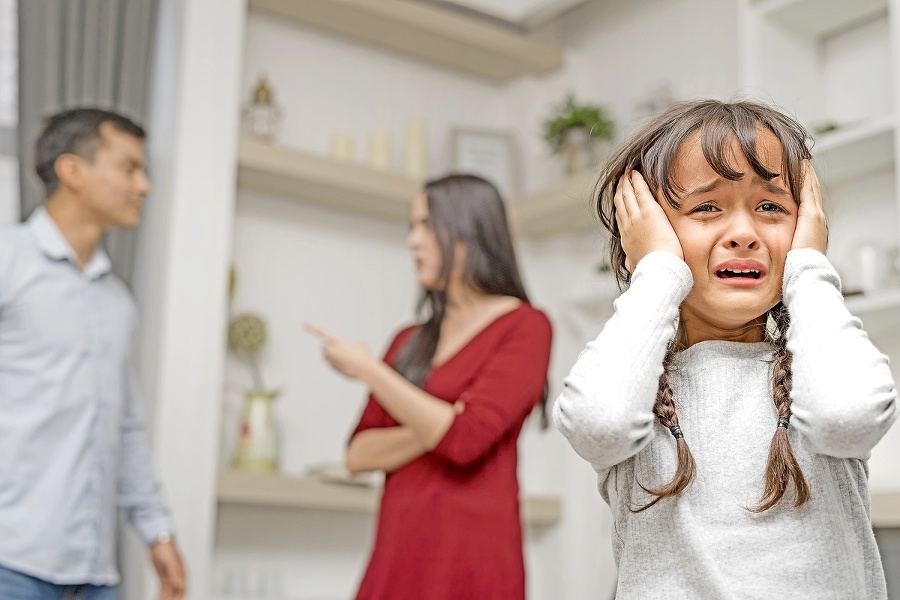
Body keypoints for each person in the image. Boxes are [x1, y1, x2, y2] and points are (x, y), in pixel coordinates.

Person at [554, 99, 898, 599]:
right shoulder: (635, 378)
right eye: (706, 207)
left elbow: (848, 418)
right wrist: (656, 272)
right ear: (651, 235)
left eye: (771, 207)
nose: (743, 234)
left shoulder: (820, 365)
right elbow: (598, 425)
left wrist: (807, 267)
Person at [306, 174, 553, 600]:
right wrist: (448, 419)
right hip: (397, 557)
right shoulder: (408, 341)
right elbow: (359, 455)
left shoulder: (526, 326)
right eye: (411, 227)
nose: (412, 241)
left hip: (474, 564)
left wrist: (370, 371)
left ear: (465, 231)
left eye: (424, 225)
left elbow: (465, 442)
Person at [0, 108, 186, 599]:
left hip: (92, 573)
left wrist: (157, 530)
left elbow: (125, 428)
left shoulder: (117, 303)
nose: (143, 186)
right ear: (72, 171)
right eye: (129, 168)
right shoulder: (8, 261)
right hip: (10, 562)